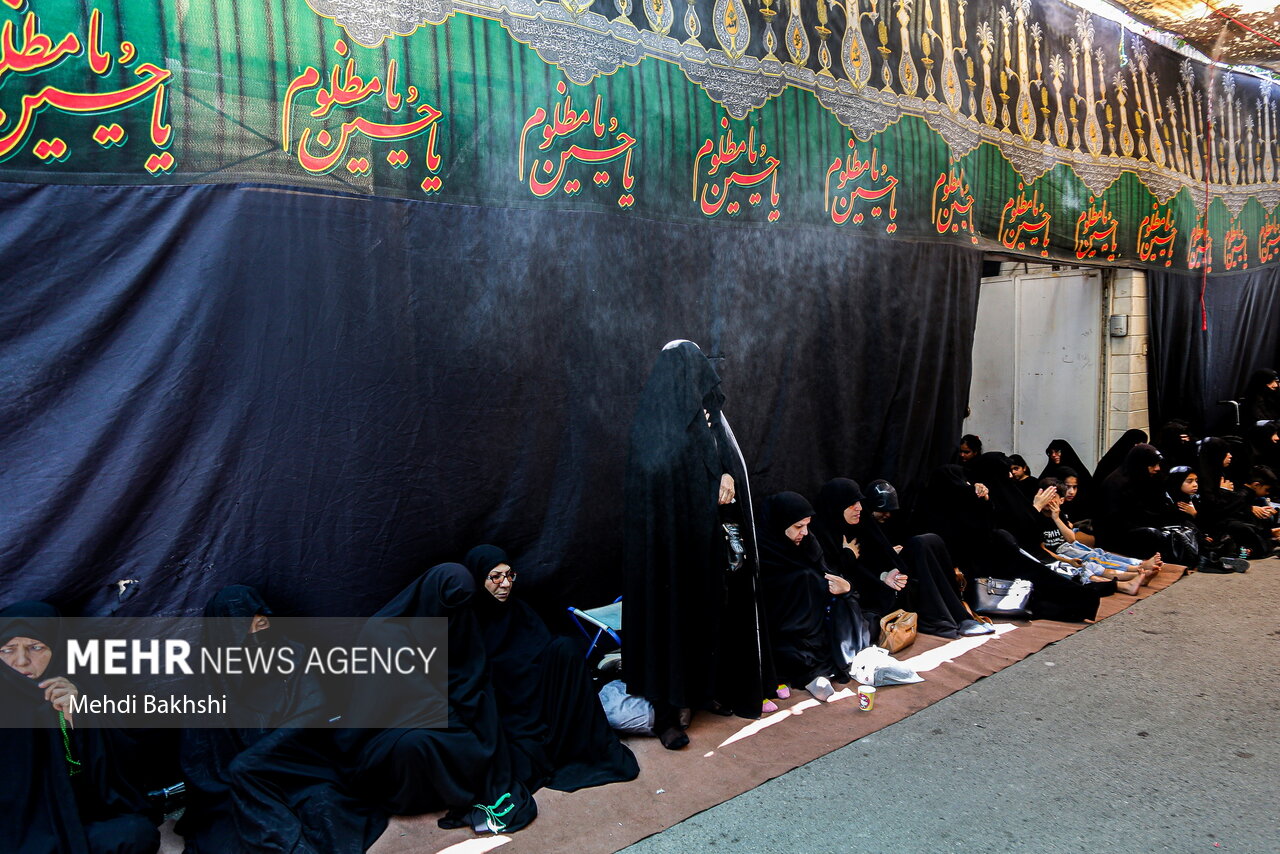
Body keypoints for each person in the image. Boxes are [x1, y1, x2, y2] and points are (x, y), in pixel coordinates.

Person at [622, 340, 772, 748]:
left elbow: (726, 464)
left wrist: (725, 476)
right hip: (667, 555)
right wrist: (710, 483)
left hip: (703, 549)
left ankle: (704, 693)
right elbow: (656, 485)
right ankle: (667, 714)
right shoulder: (652, 426)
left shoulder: (707, 420)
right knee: (669, 624)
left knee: (707, 617)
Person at [176, 586, 386, 854]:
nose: (260, 622)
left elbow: (314, 708)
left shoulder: (292, 653)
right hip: (234, 784)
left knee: (327, 808)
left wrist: (266, 751)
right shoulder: (209, 680)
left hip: (292, 768)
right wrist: (244, 770)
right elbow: (199, 756)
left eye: (261, 615)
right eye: (247, 620)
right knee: (238, 831)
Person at [338, 563, 538, 835]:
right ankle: (428, 797)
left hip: (440, 711)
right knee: (419, 744)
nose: (456, 612)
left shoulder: (457, 616)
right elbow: (405, 696)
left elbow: (471, 673)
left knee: (484, 733)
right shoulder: (385, 633)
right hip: (386, 723)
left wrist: (474, 712)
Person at [463, 545, 638, 792]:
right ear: (478, 578)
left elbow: (542, 653)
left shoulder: (520, 610)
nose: (505, 584)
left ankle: (581, 744)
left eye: (509, 575)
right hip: (506, 709)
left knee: (566, 647)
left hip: (542, 701)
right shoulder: (469, 621)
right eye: (495, 577)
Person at [0, 601, 160, 854]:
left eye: (35, 647)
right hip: (13, 834)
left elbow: (119, 783)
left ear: (57, 647)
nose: (21, 661)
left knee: (135, 833)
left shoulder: (80, 690)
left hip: (76, 823)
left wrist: (80, 719)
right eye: (8, 649)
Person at [813, 478, 989, 639]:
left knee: (927, 542)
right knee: (920, 548)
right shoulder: (823, 536)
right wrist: (849, 556)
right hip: (867, 599)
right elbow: (833, 577)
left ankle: (957, 615)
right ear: (836, 506)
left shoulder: (862, 526)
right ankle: (943, 618)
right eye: (852, 504)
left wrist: (884, 575)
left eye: (859, 502)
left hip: (888, 585)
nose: (859, 507)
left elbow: (875, 559)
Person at [757, 491, 869, 702]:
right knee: (804, 580)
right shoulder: (762, 549)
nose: (805, 533)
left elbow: (825, 575)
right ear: (780, 524)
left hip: (816, 629)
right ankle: (807, 672)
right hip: (779, 635)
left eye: (807, 525)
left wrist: (844, 587)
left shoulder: (808, 543)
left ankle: (815, 669)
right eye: (798, 527)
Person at [1039, 439, 1096, 521]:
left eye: (1057, 451)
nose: (1054, 455)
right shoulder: (1048, 473)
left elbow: (1089, 493)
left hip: (1079, 516)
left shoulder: (1080, 472)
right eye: (1051, 453)